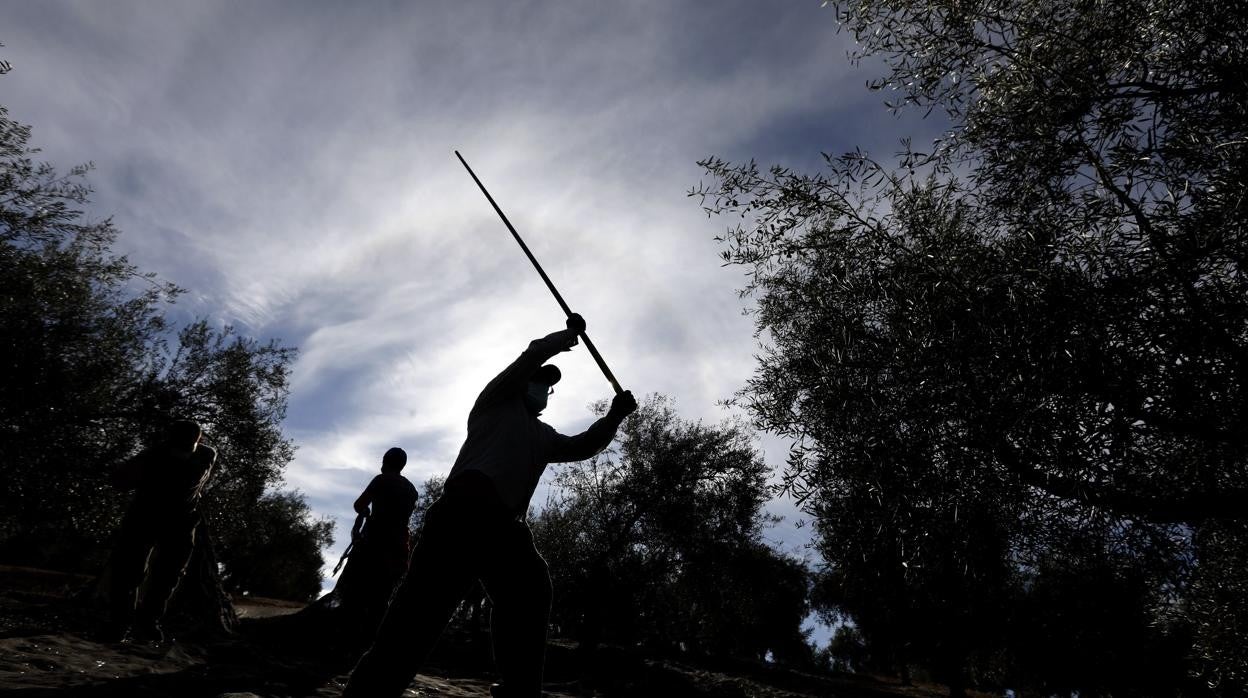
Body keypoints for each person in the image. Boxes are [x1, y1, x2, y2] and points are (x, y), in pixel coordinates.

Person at [344, 313, 638, 698]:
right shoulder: (493, 403)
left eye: (547, 387)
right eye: (539, 381)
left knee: (532, 590)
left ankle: (519, 689)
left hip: (504, 529)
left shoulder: (544, 436)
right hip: (458, 519)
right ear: (523, 384)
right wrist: (567, 336)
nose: (541, 388)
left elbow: (583, 446)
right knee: (417, 619)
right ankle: (368, 692)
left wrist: (614, 417)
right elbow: (532, 355)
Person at [105, 418, 217, 644]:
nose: (184, 452)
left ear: (199, 441)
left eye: (189, 446)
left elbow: (187, 481)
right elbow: (119, 482)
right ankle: (121, 623)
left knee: (168, 574)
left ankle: (147, 622)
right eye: (180, 446)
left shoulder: (204, 455)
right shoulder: (153, 456)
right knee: (130, 571)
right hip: (144, 518)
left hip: (179, 522)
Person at [332, 447, 418, 631]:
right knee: (381, 597)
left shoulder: (381, 480)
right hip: (398, 548)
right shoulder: (412, 490)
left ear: (385, 461)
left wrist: (366, 513)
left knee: (355, 591)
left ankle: (345, 634)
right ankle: (371, 637)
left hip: (374, 544)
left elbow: (359, 504)